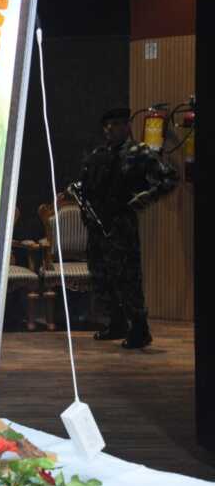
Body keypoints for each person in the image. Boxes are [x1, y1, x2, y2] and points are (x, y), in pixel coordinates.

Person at [72, 107, 177, 349]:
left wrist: (145, 197)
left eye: (117, 124)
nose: (111, 129)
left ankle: (140, 330)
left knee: (127, 278)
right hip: (97, 225)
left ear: (127, 126)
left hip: (121, 225)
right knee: (101, 276)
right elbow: (87, 183)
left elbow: (169, 178)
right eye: (107, 125)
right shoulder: (99, 154)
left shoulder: (139, 152)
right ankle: (116, 323)